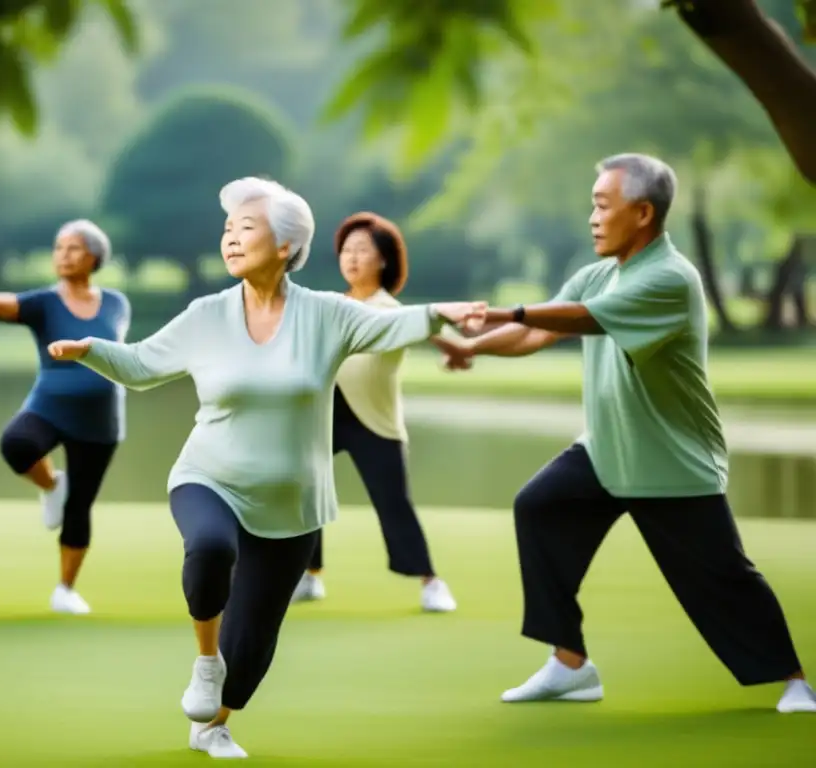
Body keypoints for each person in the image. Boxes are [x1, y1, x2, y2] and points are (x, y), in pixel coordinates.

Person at [47, 177, 486, 758]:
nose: (230, 238)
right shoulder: (206, 315)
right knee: (208, 550)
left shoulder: (328, 316)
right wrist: (91, 351)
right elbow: (140, 366)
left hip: (292, 504)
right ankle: (206, 661)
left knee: (252, 647)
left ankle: (215, 723)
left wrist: (440, 315)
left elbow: (390, 325)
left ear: (286, 246)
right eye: (227, 229)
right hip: (209, 475)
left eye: (246, 228)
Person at [442, 153, 815, 714]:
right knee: (538, 508)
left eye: (601, 205)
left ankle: (794, 682)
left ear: (642, 213)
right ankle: (571, 667)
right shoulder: (601, 272)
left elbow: (582, 318)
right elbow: (540, 333)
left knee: (722, 578)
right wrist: (472, 347)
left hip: (671, 461)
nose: (591, 217)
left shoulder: (669, 278)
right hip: (606, 450)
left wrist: (494, 314)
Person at [0, 220, 129, 615]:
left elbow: (115, 349)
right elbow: (11, 304)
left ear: (93, 257)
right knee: (17, 444)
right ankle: (50, 484)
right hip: (50, 404)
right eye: (59, 247)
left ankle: (65, 589)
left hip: (100, 419)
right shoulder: (44, 303)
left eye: (73, 248)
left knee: (80, 507)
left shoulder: (116, 302)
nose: (63, 255)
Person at [291, 212, 464, 612]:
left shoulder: (389, 308)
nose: (351, 258)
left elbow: (432, 324)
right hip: (327, 414)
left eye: (362, 250)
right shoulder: (333, 304)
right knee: (303, 487)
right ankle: (309, 573)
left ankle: (431, 583)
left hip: (374, 421)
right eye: (346, 250)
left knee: (393, 503)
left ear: (383, 260)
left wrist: (458, 350)